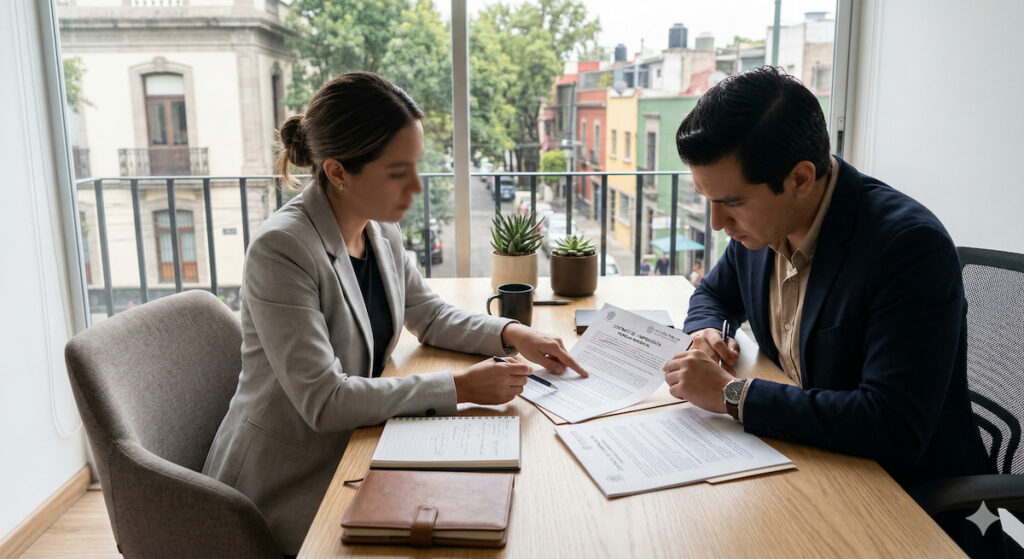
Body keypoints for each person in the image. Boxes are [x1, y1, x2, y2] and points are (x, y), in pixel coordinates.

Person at [202, 72, 588, 554]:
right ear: (338, 172)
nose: (418, 187)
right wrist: (460, 388)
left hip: (360, 445)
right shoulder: (282, 249)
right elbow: (325, 402)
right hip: (289, 482)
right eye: (397, 171)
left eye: (416, 166)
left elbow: (427, 315)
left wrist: (513, 333)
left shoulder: (378, 229)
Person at [661, 66, 989, 490]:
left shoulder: (907, 248)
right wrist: (708, 331)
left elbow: (892, 425)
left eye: (732, 203)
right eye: (708, 200)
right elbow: (713, 293)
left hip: (900, 493)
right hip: (807, 460)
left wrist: (733, 394)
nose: (718, 223)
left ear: (799, 179)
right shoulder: (763, 226)